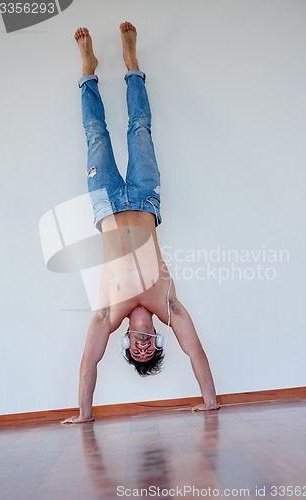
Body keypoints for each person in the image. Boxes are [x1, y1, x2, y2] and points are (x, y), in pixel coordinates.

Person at [62, 22, 220, 424]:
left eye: (137, 351)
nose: (144, 348)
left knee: (95, 133)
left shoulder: (107, 315)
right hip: (146, 198)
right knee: (140, 129)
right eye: (151, 350)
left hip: (107, 204)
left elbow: (88, 364)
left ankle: (88, 71)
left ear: (129, 341)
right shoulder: (168, 305)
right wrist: (211, 403)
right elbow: (196, 352)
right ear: (155, 338)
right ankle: (132, 64)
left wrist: (84, 414)